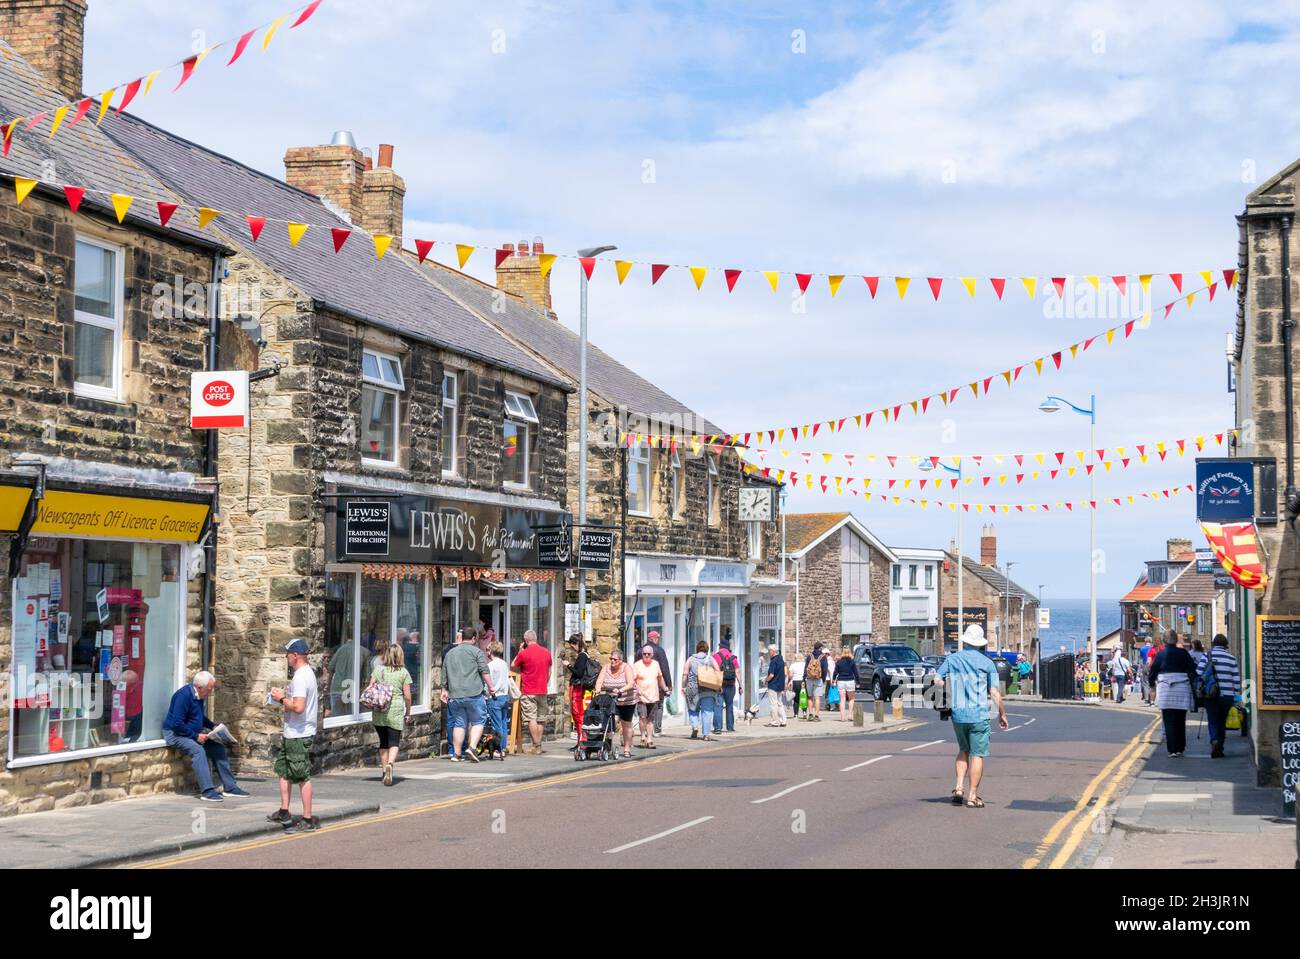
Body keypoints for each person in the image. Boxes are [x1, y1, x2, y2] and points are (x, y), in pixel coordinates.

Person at [934, 624, 1009, 808]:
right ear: (980, 643)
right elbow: (994, 692)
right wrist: (1002, 714)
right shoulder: (987, 663)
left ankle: (959, 788)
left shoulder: (952, 659)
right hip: (979, 714)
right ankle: (972, 796)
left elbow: (937, 679)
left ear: (965, 641)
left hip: (958, 714)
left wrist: (944, 689)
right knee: (977, 754)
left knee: (963, 750)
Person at [162, 670, 249, 803]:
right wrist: (196, 736)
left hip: (191, 733)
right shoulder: (183, 696)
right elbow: (176, 724)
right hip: (175, 734)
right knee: (198, 751)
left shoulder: (199, 696)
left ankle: (230, 787)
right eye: (209, 690)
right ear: (199, 687)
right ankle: (207, 791)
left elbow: (198, 717)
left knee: (217, 748)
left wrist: (212, 726)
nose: (210, 693)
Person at [268, 639, 320, 830]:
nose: (286, 657)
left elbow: (298, 707)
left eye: (288, 653)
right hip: (293, 732)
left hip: (300, 733)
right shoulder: (306, 674)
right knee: (284, 770)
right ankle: (284, 811)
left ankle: (307, 819)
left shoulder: (300, 677)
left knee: (301, 775)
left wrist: (280, 698)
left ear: (296, 655)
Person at [441, 626, 495, 763]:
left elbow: (444, 672)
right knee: (478, 721)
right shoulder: (476, 652)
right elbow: (484, 671)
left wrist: (444, 689)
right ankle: (472, 747)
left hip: (455, 695)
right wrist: (491, 687)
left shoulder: (450, 653)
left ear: (461, 637)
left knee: (459, 724)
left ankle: (456, 754)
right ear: (473, 639)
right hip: (474, 694)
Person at [1147, 631, 1198, 757]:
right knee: (1181, 719)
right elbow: (1192, 670)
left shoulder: (1160, 654)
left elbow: (1153, 671)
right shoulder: (1184, 653)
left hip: (1166, 690)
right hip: (1182, 689)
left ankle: (1172, 749)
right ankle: (1180, 747)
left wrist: (1152, 683)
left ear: (1164, 641)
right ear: (1176, 640)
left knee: (1168, 720)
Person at [371, 643, 412, 786]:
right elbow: (407, 696)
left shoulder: (378, 670)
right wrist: (408, 712)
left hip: (379, 710)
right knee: (394, 741)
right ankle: (390, 764)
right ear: (400, 656)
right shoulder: (403, 673)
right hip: (395, 710)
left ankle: (384, 771)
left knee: (383, 741)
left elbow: (371, 687)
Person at [1199, 634, 1241, 759]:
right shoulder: (1231, 658)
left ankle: (1214, 740)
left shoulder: (1206, 656)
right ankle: (1220, 747)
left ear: (1213, 643)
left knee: (1212, 720)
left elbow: (1199, 672)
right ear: (1226, 644)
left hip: (1210, 694)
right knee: (1222, 722)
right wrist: (1236, 697)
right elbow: (1236, 680)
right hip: (1227, 696)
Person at [511, 629, 552, 754]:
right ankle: (538, 746)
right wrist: (545, 681)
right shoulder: (546, 652)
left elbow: (513, 665)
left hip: (529, 690)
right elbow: (549, 670)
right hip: (542, 689)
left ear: (526, 640)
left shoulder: (524, 653)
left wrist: (520, 651)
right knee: (540, 718)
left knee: (531, 718)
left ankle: (536, 745)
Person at [595, 648, 638, 757]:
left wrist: (620, 690)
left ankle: (627, 749)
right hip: (612, 700)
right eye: (611, 659)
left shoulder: (626, 668)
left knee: (626, 724)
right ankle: (608, 744)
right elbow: (599, 681)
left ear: (621, 661)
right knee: (611, 722)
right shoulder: (606, 667)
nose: (612, 661)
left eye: (615, 659)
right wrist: (597, 689)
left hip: (627, 700)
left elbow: (631, 683)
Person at [632, 645, 668, 748]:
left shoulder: (656, 664)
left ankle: (649, 739)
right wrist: (636, 689)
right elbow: (632, 680)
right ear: (642, 654)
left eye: (648, 654)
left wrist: (665, 688)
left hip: (654, 696)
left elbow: (660, 678)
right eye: (644, 654)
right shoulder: (637, 665)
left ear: (652, 655)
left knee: (651, 719)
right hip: (641, 696)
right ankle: (643, 737)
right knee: (642, 717)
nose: (646, 656)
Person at [684, 639, 720, 740]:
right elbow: (718, 671)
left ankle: (695, 726)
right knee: (707, 711)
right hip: (708, 687)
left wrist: (683, 686)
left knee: (692, 708)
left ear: (697, 648)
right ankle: (706, 735)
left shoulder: (690, 659)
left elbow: (685, 673)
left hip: (692, 687)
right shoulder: (710, 659)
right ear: (707, 649)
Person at [486, 640, 512, 757]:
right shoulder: (504, 663)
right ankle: (503, 748)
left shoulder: (490, 665)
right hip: (504, 696)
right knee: (503, 724)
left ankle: (498, 749)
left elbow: (488, 681)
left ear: (491, 651)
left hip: (494, 697)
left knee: (496, 725)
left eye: (488, 649)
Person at [564, 634, 591, 743]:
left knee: (578, 714)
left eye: (572, 646)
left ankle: (582, 741)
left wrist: (568, 665)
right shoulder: (584, 655)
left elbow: (579, 673)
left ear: (576, 644)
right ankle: (580, 741)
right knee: (577, 715)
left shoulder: (582, 656)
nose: (572, 649)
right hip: (577, 687)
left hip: (577, 688)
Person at [713, 636, 742, 733]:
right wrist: (741, 685)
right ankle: (730, 727)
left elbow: (713, 671)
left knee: (718, 706)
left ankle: (718, 728)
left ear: (720, 647)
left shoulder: (716, 656)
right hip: (731, 684)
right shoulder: (732, 657)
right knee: (729, 705)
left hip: (719, 685)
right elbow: (737, 672)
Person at [647, 630, 673, 734]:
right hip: (658, 683)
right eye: (657, 638)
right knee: (659, 705)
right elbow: (664, 668)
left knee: (646, 705)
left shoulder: (641, 650)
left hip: (644, 683)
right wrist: (669, 684)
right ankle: (657, 729)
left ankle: (646, 728)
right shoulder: (659, 650)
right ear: (653, 638)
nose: (658, 639)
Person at [803, 643, 830, 720]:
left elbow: (806, 668)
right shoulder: (823, 657)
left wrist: (804, 678)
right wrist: (823, 679)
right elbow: (824, 669)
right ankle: (817, 715)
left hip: (809, 679)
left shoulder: (809, 656)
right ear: (820, 648)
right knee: (817, 698)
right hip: (818, 679)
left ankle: (810, 715)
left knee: (810, 697)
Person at [764, 644, 787, 727]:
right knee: (780, 703)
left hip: (773, 685)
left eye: (769, 651)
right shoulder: (781, 660)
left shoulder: (773, 661)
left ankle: (774, 721)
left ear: (773, 651)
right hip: (780, 685)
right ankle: (783, 720)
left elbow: (771, 675)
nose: (769, 653)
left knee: (773, 704)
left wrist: (766, 680)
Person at [832, 648, 858, 721]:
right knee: (851, 699)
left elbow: (835, 672)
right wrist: (858, 682)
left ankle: (842, 717)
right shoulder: (852, 662)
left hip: (841, 681)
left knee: (842, 699)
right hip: (850, 681)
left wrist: (833, 680)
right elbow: (856, 673)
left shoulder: (839, 662)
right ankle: (850, 715)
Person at [787, 653, 805, 719]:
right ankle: (804, 713)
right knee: (803, 697)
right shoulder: (805, 664)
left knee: (796, 699)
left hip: (796, 682)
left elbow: (790, 675)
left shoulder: (793, 665)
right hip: (803, 682)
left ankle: (796, 715)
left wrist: (789, 681)